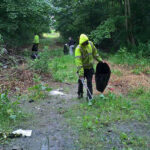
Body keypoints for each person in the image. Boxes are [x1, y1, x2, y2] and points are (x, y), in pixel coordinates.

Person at [75, 34, 103, 105]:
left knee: (89, 82)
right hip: (82, 69)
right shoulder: (78, 49)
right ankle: (80, 93)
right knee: (81, 82)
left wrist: (100, 60)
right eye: (83, 43)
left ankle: (89, 97)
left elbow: (95, 54)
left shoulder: (90, 44)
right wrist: (81, 73)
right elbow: (78, 62)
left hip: (90, 68)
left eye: (86, 42)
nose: (85, 43)